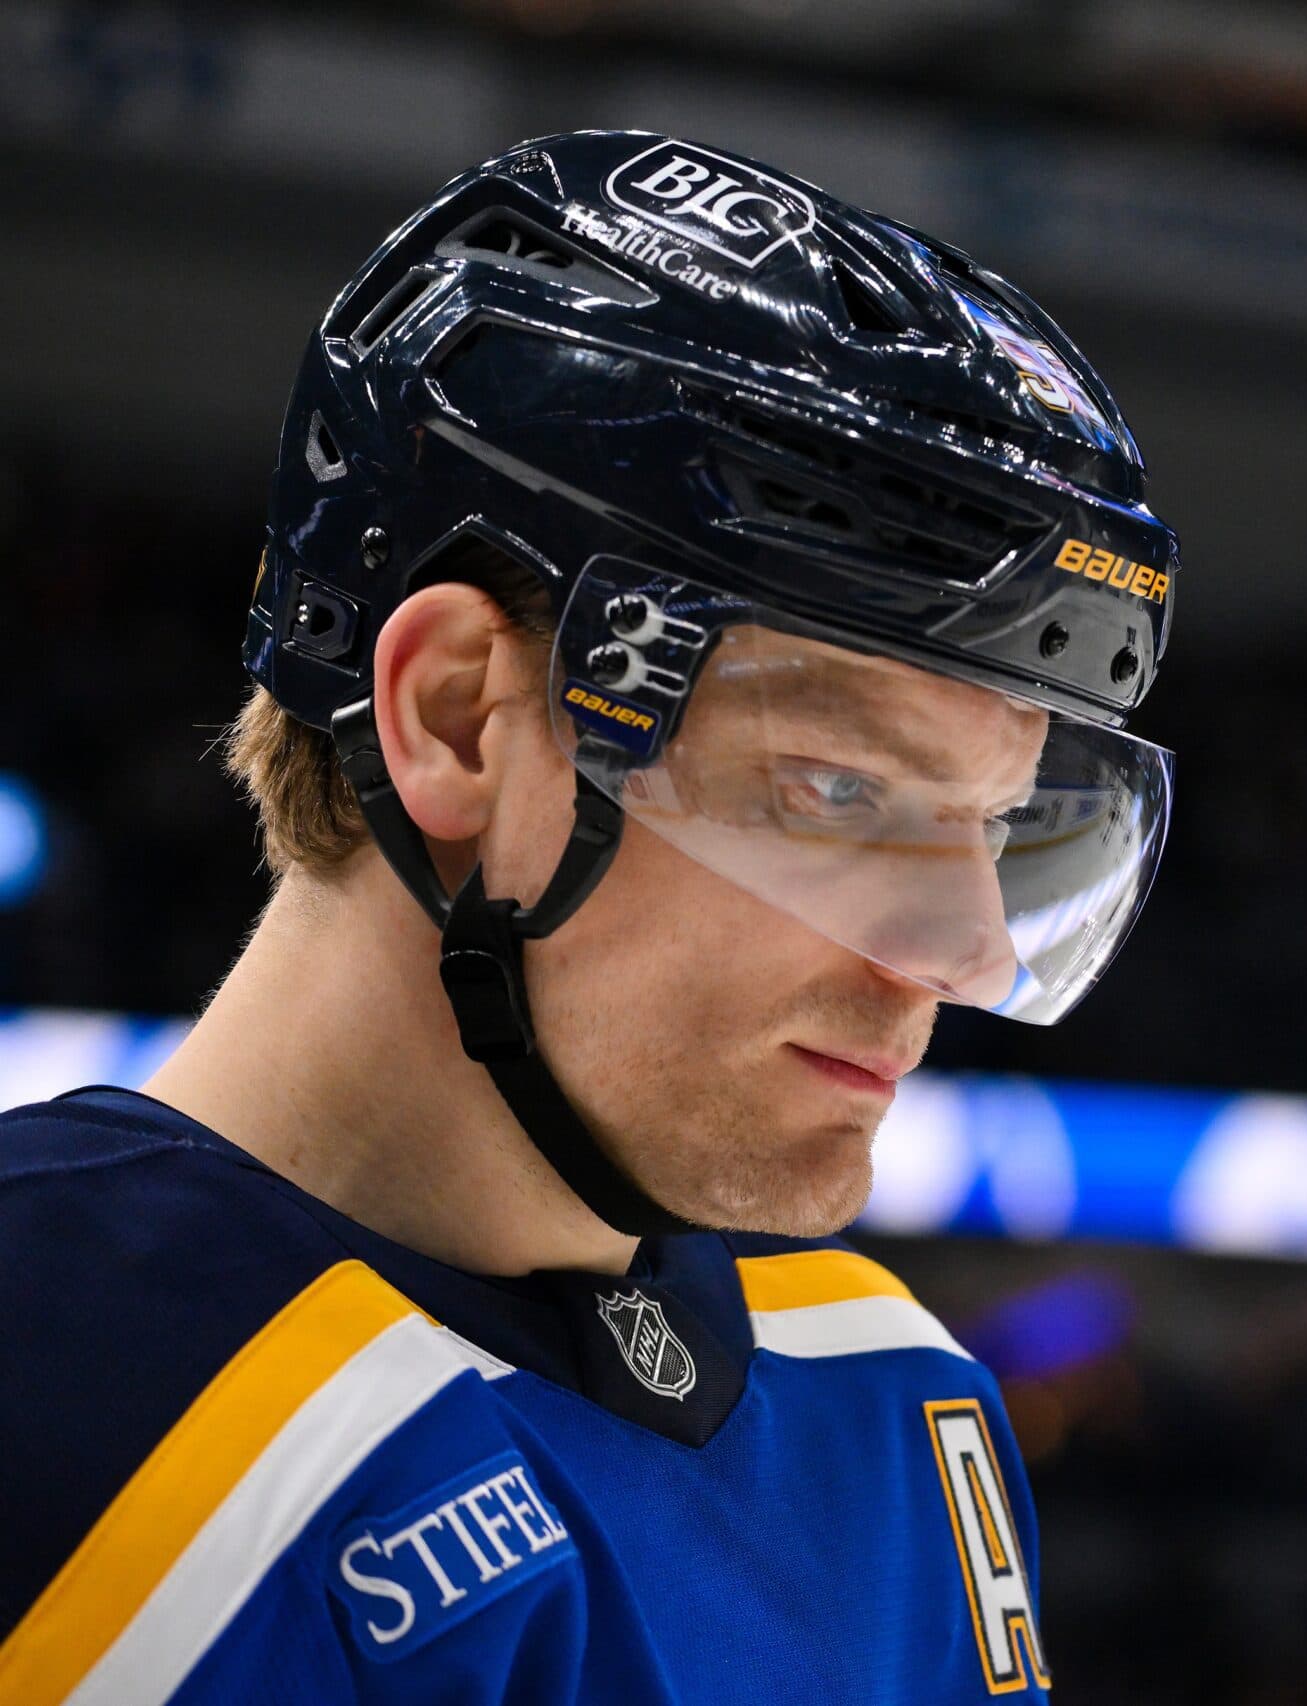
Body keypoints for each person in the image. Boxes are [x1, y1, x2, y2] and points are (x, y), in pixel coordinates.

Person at [0, 130, 1179, 1703]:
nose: (962, 953)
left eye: (994, 824)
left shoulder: (886, 1394)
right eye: (838, 791)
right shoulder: (57, 1390)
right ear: (463, 715)